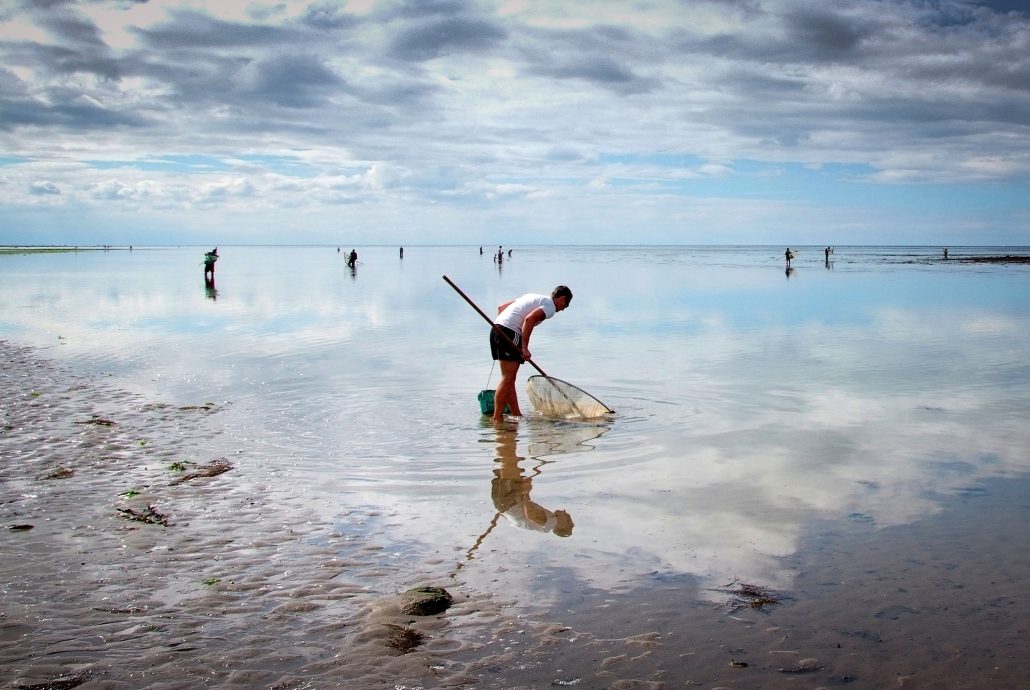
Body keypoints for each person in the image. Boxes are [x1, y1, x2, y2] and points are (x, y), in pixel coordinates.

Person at [489, 286, 573, 423]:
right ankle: (497, 419)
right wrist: (524, 348)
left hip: (496, 329)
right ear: (562, 299)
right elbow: (529, 320)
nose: (563, 309)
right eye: (566, 305)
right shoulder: (550, 307)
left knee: (509, 379)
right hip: (510, 332)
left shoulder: (531, 296)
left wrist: (503, 327)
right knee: (507, 378)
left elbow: (501, 308)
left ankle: (516, 415)